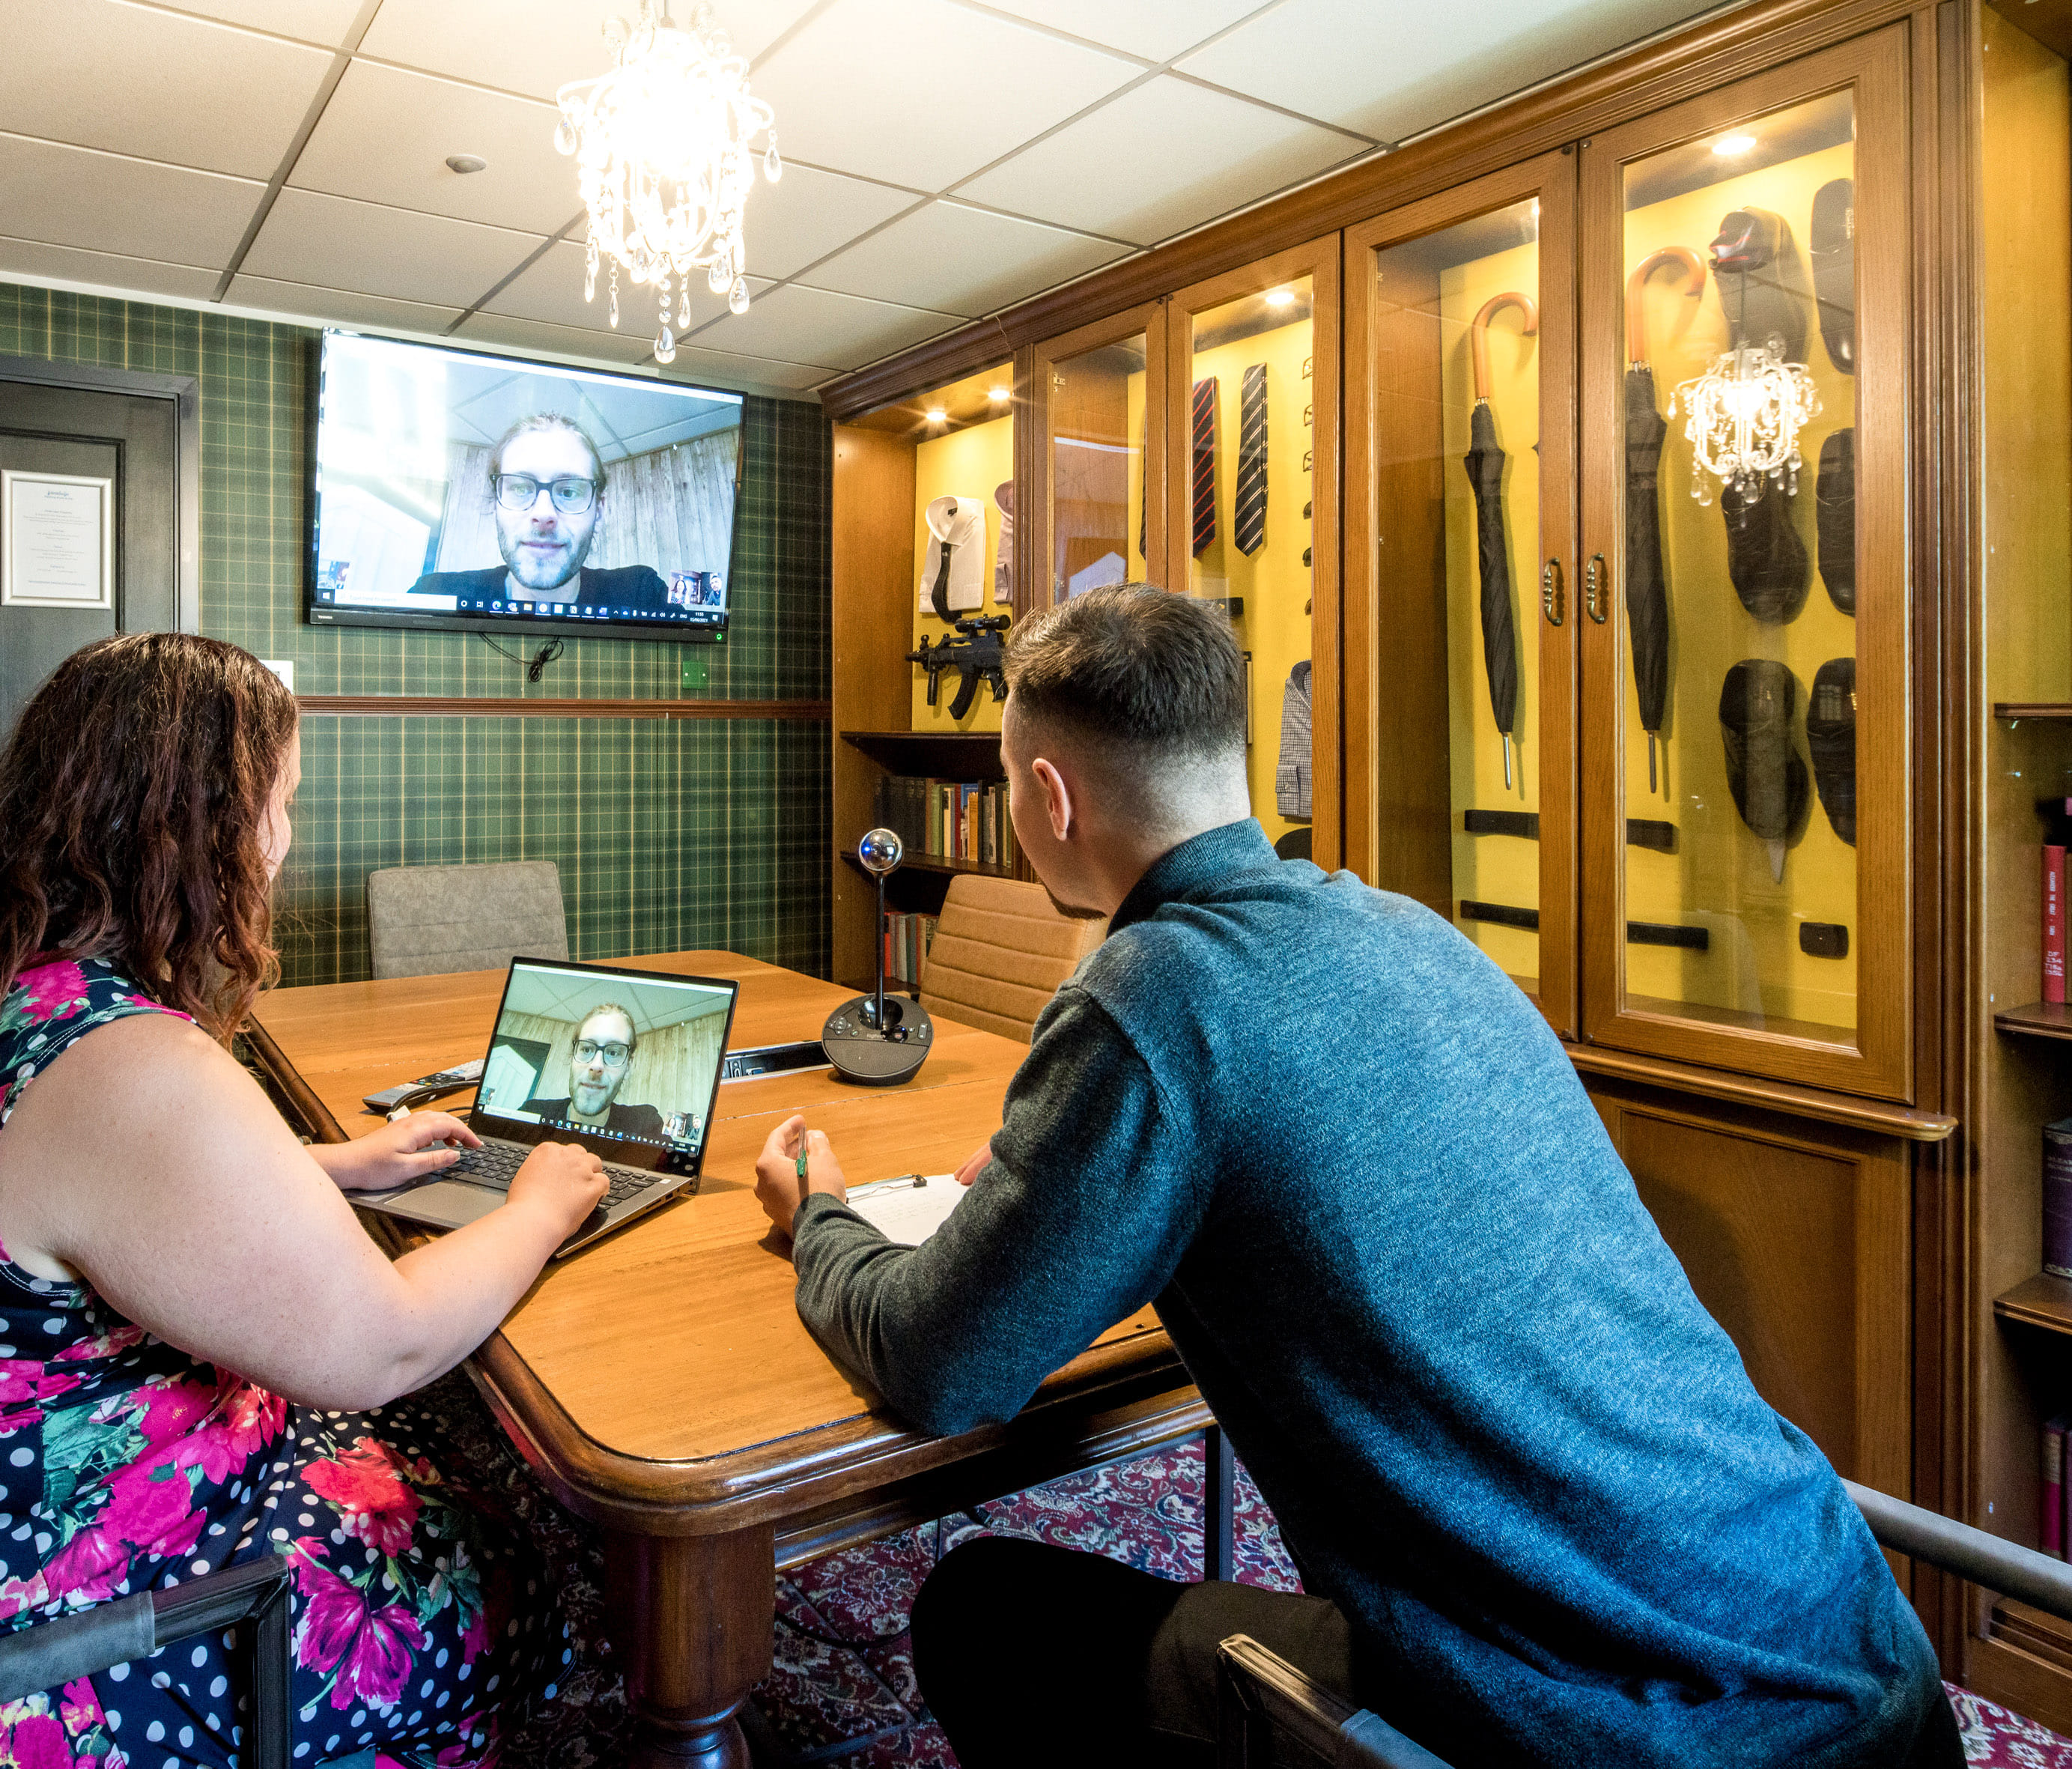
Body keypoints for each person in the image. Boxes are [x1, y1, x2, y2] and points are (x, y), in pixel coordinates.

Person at [748, 585, 1956, 1768]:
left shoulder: (1151, 989)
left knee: (984, 1609)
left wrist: (825, 1220)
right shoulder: (1414, 931)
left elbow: (940, 1362)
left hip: (1625, 1724)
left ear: (1048, 796)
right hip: (1862, 1663)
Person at [0, 633, 609, 1768]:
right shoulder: (122, 1063)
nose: (284, 839)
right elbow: (384, 1345)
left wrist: (333, 1164)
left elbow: (26, 1218)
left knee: (436, 1451)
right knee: (488, 1558)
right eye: (278, 805)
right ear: (201, 833)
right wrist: (542, 1199)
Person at [411, 413, 671, 614]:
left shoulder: (642, 594)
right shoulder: (433, 596)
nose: (544, 515)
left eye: (569, 492)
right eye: (521, 488)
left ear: (599, 511)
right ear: (496, 503)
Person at [520, 1001, 664, 1138]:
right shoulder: (532, 1113)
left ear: (628, 1067)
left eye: (613, 1053)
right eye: (587, 1049)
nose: (596, 1066)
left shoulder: (645, 1124)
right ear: (573, 1056)